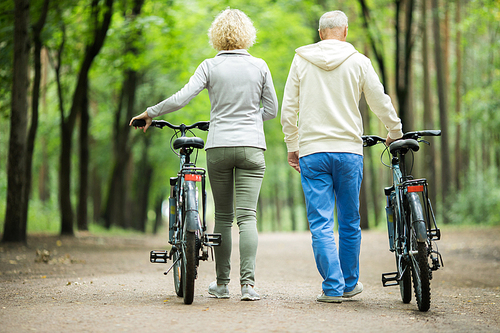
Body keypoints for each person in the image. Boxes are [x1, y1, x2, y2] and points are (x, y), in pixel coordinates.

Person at [130, 8, 277, 301]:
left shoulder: (210, 66)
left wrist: (151, 113)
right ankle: (248, 286)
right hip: (252, 147)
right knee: (247, 217)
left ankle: (222, 285)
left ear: (217, 35)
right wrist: (248, 119)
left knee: (223, 216)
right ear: (247, 34)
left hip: (219, 146)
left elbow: (182, 97)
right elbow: (271, 110)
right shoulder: (260, 66)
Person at [281, 10, 403, 303]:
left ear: (321, 34)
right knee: (349, 221)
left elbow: (288, 109)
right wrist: (395, 130)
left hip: (313, 152)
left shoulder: (301, 60)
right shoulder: (359, 61)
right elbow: (379, 100)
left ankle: (332, 288)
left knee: (321, 223)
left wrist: (292, 144)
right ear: (345, 32)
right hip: (349, 151)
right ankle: (350, 284)